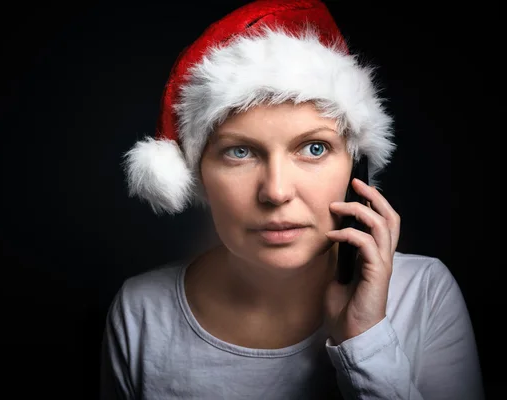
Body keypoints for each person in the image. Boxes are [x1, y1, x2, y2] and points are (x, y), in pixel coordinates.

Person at [100, 0, 484, 398]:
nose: (277, 192)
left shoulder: (423, 293)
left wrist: (365, 342)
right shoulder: (140, 311)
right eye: (240, 152)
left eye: (314, 148)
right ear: (198, 174)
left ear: (356, 167)